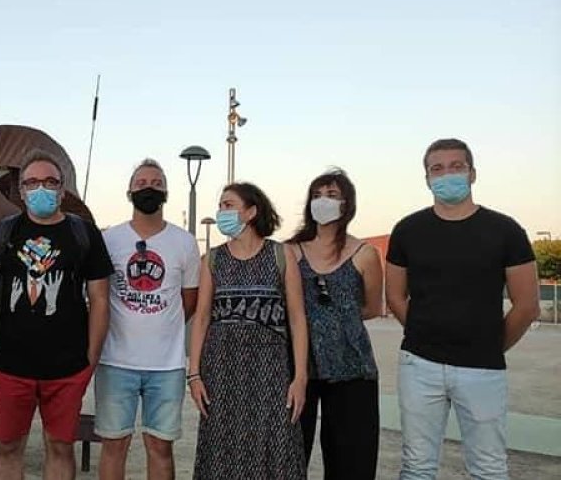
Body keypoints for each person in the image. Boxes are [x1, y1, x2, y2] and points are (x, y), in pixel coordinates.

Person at [386, 139, 540, 480]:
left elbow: (527, 305)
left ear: (472, 173)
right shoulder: (408, 230)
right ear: (426, 179)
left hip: (483, 369)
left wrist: (490, 344)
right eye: (436, 169)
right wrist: (424, 334)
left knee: (488, 467)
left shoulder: (506, 230)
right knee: (416, 466)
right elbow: (395, 297)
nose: (446, 174)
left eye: (456, 166)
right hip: (419, 366)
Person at [0, 150, 113, 480]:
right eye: (32, 182)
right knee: (8, 447)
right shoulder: (2, 233)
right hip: (10, 366)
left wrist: (89, 361)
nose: (41, 189)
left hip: (67, 368)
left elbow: (100, 299)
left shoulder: (85, 235)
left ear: (62, 190)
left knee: (60, 446)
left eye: (50, 182)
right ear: (21, 190)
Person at [188, 182, 308, 479]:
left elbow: (297, 318)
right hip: (222, 372)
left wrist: (300, 378)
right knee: (221, 450)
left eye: (229, 205)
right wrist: (194, 374)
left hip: (271, 373)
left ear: (251, 212)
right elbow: (201, 319)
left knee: (274, 448)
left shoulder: (281, 256)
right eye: (220, 205)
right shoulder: (213, 260)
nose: (221, 212)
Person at [96, 159, 199, 480]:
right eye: (141, 183)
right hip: (116, 360)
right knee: (114, 446)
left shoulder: (184, 242)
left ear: (166, 191)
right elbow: (99, 297)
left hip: (166, 365)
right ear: (129, 192)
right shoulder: (110, 239)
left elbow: (189, 301)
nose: (149, 188)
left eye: (156, 182)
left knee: (160, 448)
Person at [288, 169, 383, 479]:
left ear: (346, 204)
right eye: (316, 196)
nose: (322, 202)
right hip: (296, 368)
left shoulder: (365, 253)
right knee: (288, 455)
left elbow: (370, 308)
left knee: (351, 460)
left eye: (331, 196)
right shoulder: (289, 251)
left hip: (351, 368)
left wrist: (336, 324)